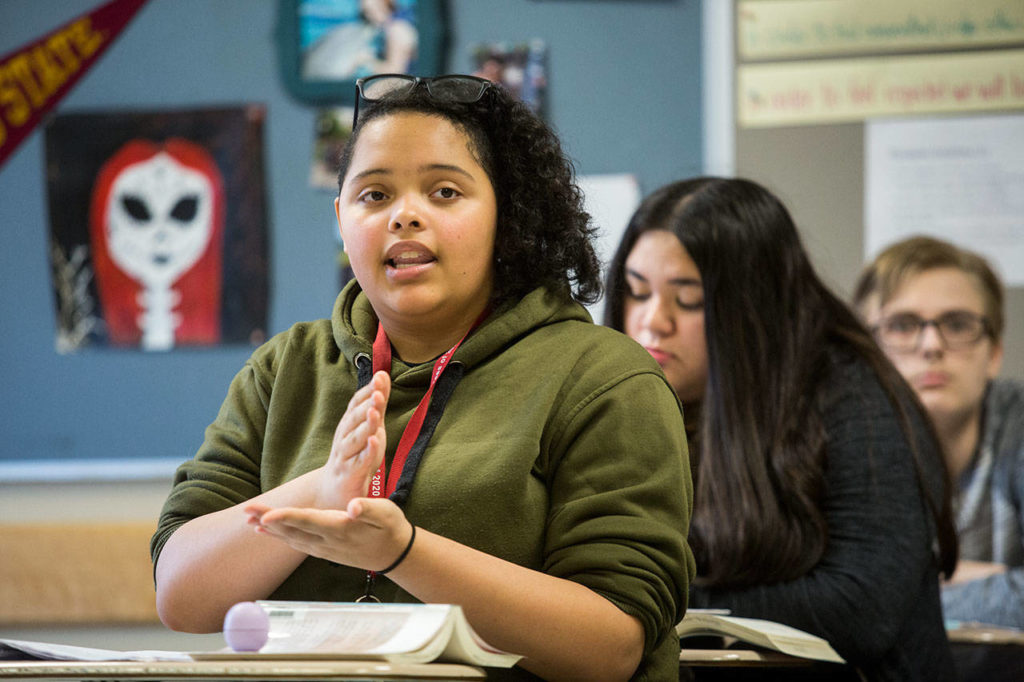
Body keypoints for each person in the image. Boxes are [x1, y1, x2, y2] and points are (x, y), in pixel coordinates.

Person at [150, 74, 694, 682]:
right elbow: (180, 595)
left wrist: (402, 553)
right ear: (341, 218)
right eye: (374, 196)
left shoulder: (603, 377)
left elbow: (610, 647)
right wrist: (321, 492)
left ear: (504, 214)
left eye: (443, 192)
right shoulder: (283, 369)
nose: (404, 216)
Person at [604, 177, 958, 681]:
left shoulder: (852, 396)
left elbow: (860, 610)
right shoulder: (625, 401)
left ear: (753, 309)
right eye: (636, 292)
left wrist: (649, 601)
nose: (651, 322)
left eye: (688, 301)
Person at [854, 235, 1024, 629]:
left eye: (958, 324)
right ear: (867, 351)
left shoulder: (1017, 422)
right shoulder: (833, 441)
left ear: (994, 353)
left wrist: (910, 592)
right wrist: (996, 581)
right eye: (902, 325)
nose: (931, 345)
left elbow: (864, 605)